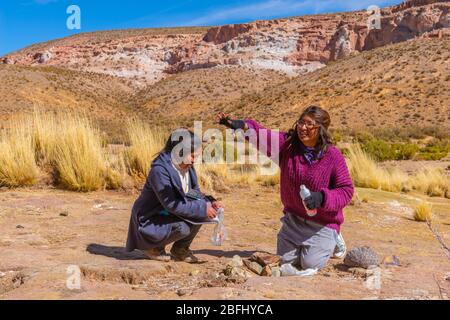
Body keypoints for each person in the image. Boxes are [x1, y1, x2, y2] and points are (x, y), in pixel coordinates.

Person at [217, 106, 354, 272]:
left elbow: (346, 190)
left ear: (321, 129)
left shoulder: (333, 156)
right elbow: (263, 135)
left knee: (311, 264)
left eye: (309, 124)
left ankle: (335, 239)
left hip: (322, 223)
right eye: (301, 122)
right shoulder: (288, 146)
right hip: (294, 220)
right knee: (284, 262)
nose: (303, 127)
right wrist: (241, 125)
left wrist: (322, 198)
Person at [125, 128, 222, 263]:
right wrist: (201, 208)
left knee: (202, 214)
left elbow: (191, 192)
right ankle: (152, 247)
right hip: (150, 219)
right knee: (183, 227)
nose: (195, 161)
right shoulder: (160, 171)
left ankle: (180, 250)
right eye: (193, 156)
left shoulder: (187, 166)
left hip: (166, 213)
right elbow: (171, 204)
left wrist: (208, 201)